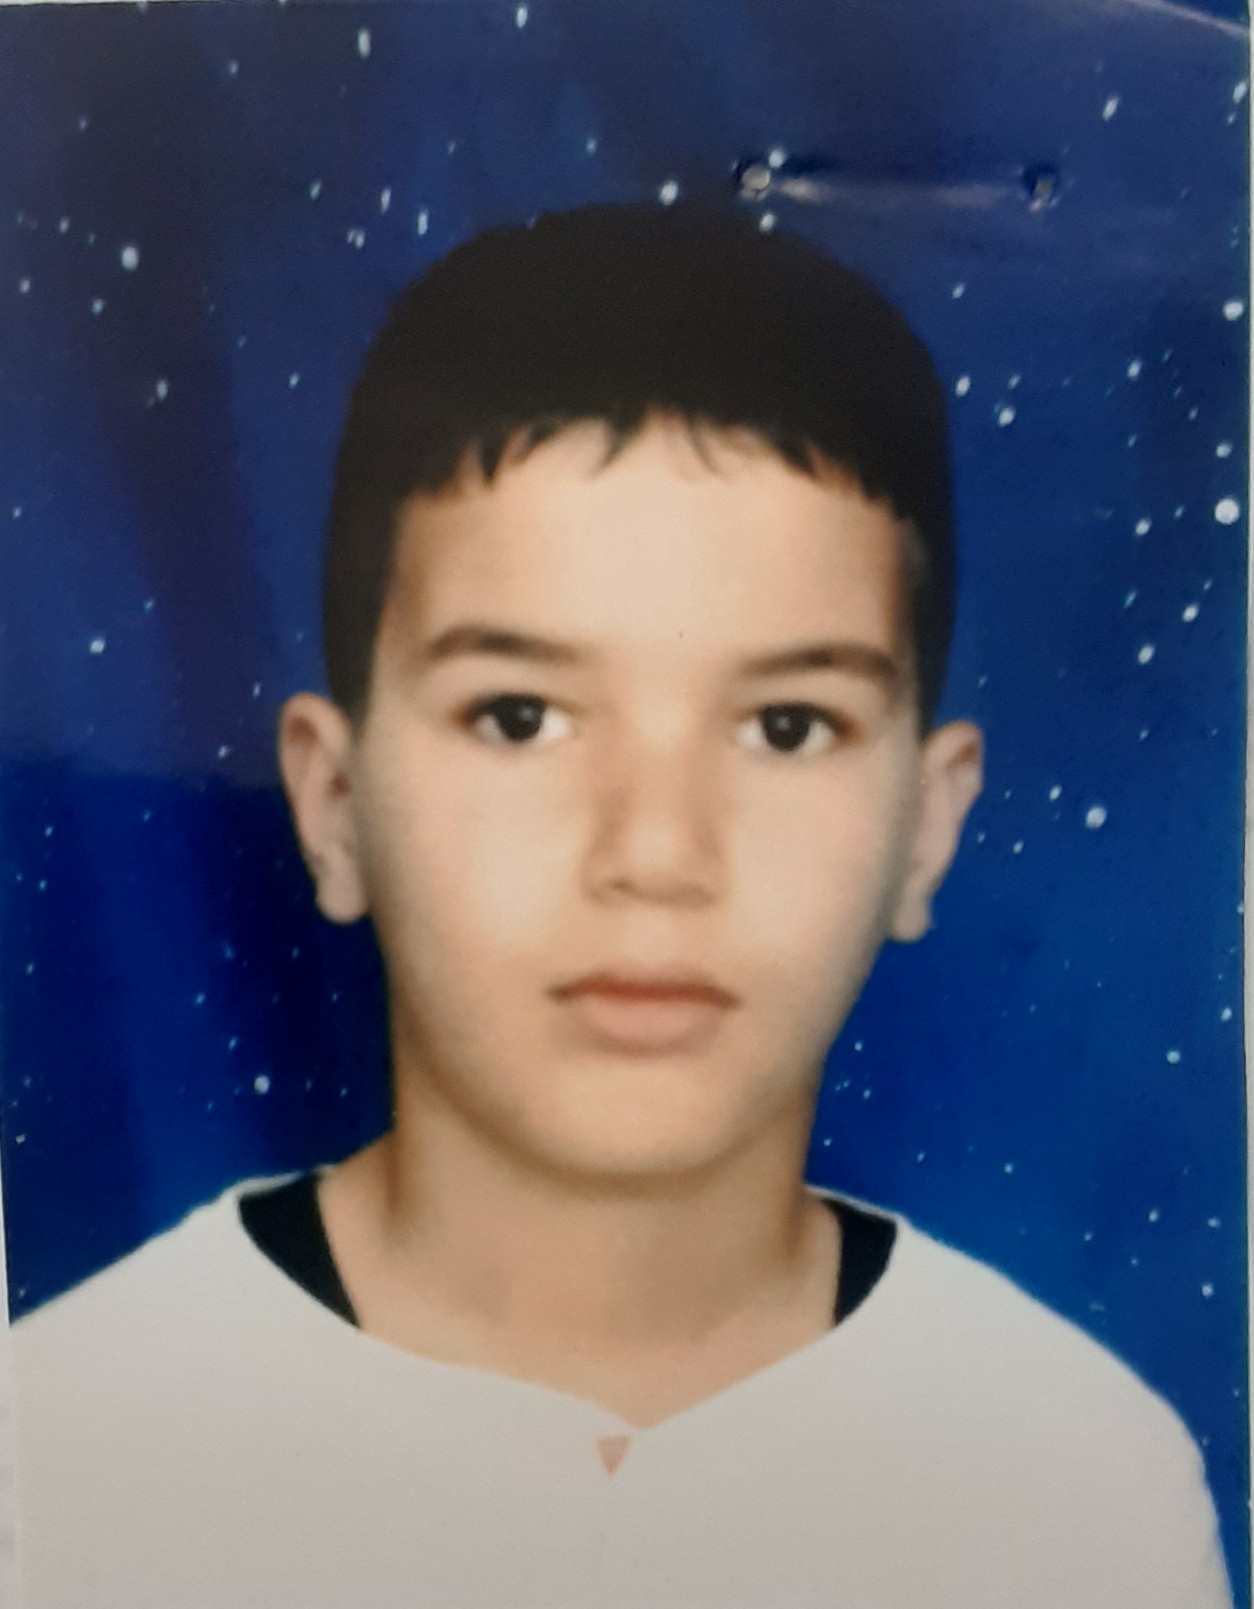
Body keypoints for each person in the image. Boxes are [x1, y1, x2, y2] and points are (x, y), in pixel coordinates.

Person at [8, 203, 1231, 1609]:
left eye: (785, 726)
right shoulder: (63, 1463)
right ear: (335, 803)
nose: (654, 852)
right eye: (519, 715)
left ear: (925, 825)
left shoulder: (1080, 1492)